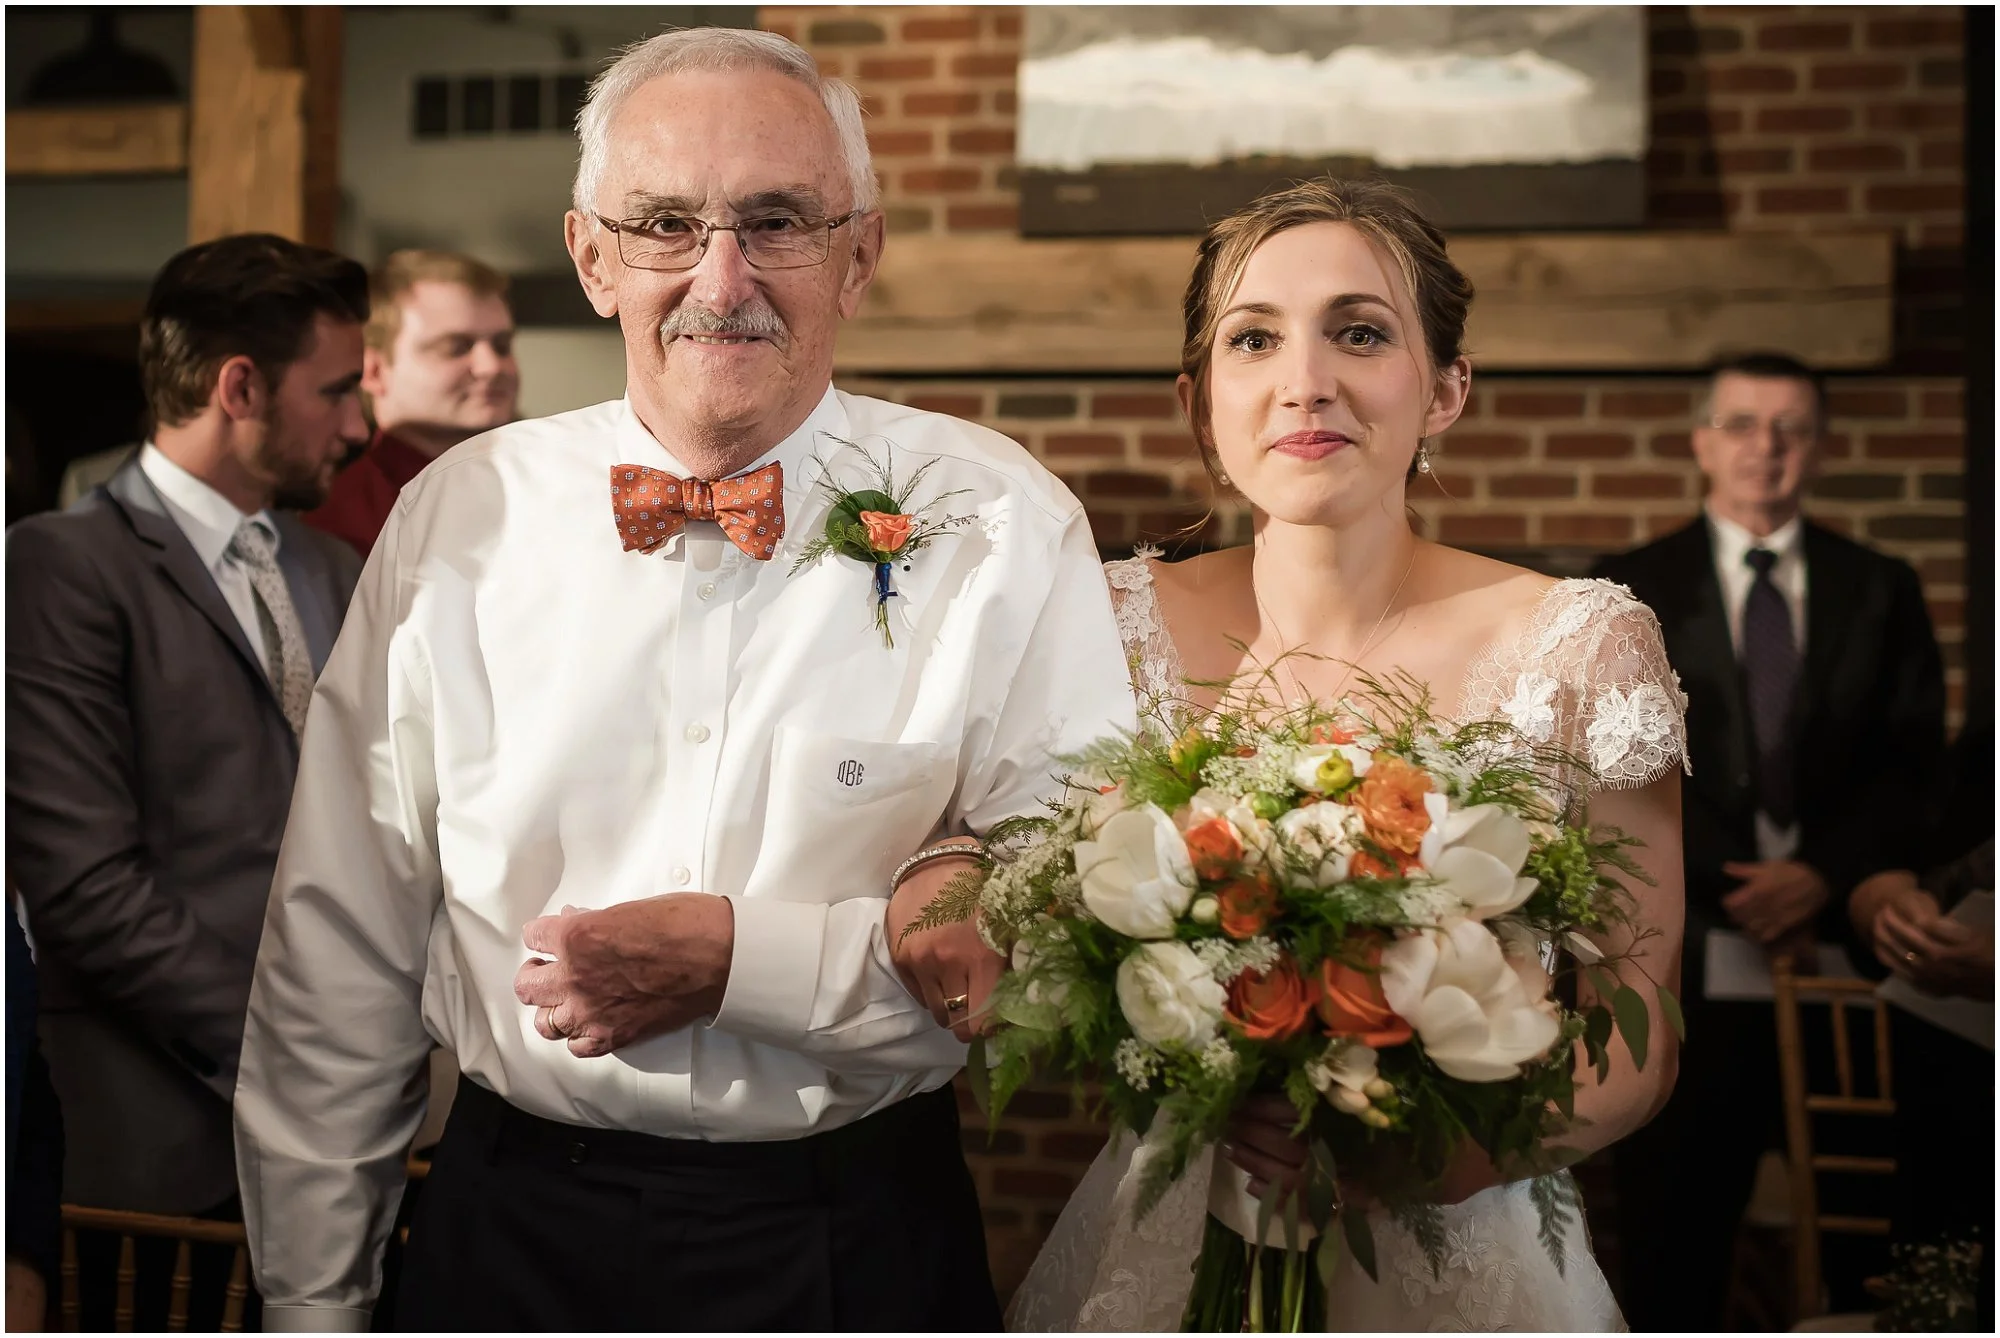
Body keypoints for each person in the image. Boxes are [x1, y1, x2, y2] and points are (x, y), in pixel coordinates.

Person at [231, 27, 1134, 1332]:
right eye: (665, 224)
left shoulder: (1001, 523)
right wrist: (315, 1303)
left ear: (858, 255)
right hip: (510, 1229)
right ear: (592, 257)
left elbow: (1069, 939)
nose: (722, 278)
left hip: (859, 1236)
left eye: (776, 221)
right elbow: (339, 949)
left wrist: (743, 963)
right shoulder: (460, 518)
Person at [1008, 177, 1687, 1331]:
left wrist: (1438, 1156)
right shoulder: (1097, 626)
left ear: (1446, 389)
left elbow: (1639, 1026)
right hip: (1171, 1230)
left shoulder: (1579, 646)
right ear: (1196, 403)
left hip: (1458, 1246)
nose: (1304, 381)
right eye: (1252, 339)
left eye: (1359, 334)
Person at [5, 232, 369, 1330]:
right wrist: (299, 1051)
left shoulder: (333, 568)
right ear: (238, 387)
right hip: (156, 1149)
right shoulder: (59, 567)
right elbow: (82, 886)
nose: (360, 424)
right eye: (336, 390)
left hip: (346, 1145)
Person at [1593, 352, 1945, 1330]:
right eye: (1742, 425)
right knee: (1673, 1248)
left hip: (1841, 962)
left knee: (1868, 1254)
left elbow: (1915, 766)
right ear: (1701, 443)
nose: (1766, 448)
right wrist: (1739, 881)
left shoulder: (1881, 586)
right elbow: (1611, 768)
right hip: (1685, 960)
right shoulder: (1625, 588)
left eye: (1790, 428)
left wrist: (1820, 876)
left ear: (1820, 449)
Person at [304, 249, 520, 557]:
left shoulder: (543, 480)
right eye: (455, 347)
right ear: (373, 371)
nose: (492, 366)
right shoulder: (340, 526)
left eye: (502, 345)